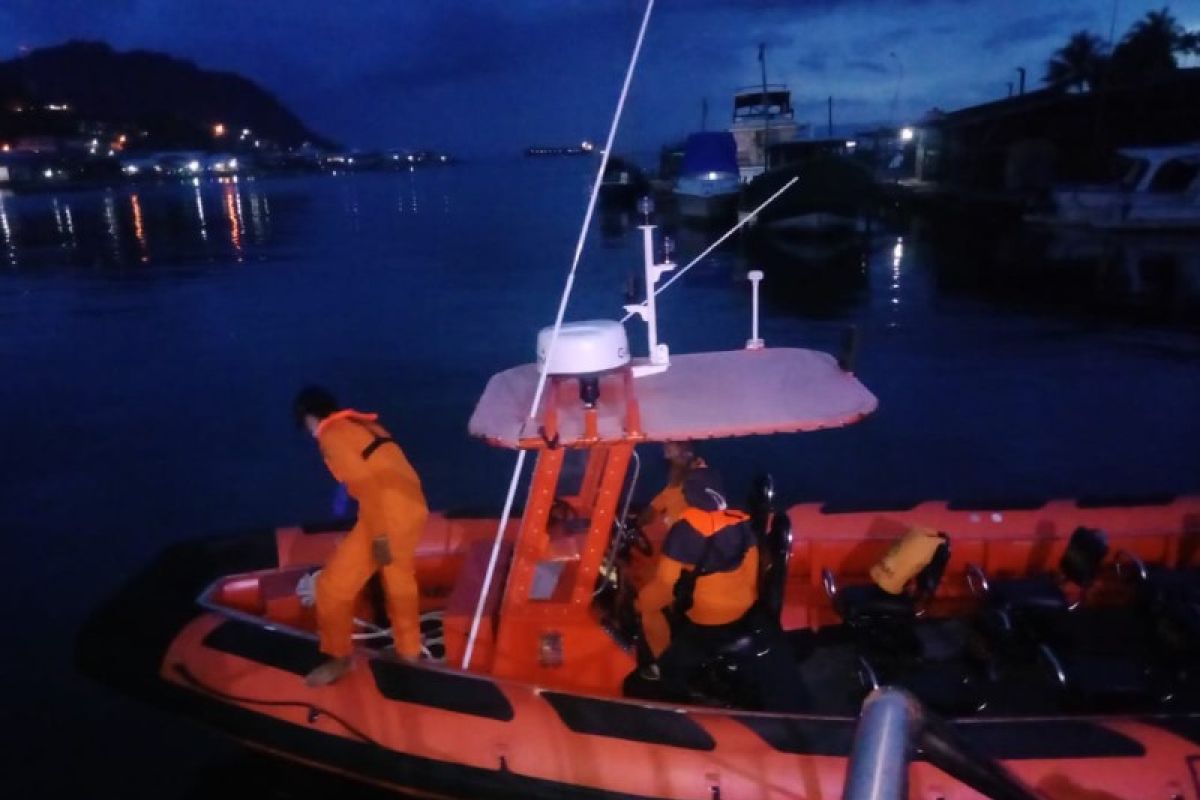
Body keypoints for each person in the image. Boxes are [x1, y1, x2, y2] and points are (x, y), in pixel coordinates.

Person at [293, 386, 429, 686]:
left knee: (332, 587)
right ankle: (408, 652)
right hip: (410, 508)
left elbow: (367, 486)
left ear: (309, 418)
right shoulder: (363, 425)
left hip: (385, 516)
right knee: (399, 581)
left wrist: (379, 536)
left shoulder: (332, 435)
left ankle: (339, 657)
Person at [635, 466, 760, 698]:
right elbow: (752, 571)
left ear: (690, 495)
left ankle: (662, 664)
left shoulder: (684, 532)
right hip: (744, 605)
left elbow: (665, 585)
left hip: (707, 614)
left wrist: (641, 602)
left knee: (649, 609)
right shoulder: (740, 522)